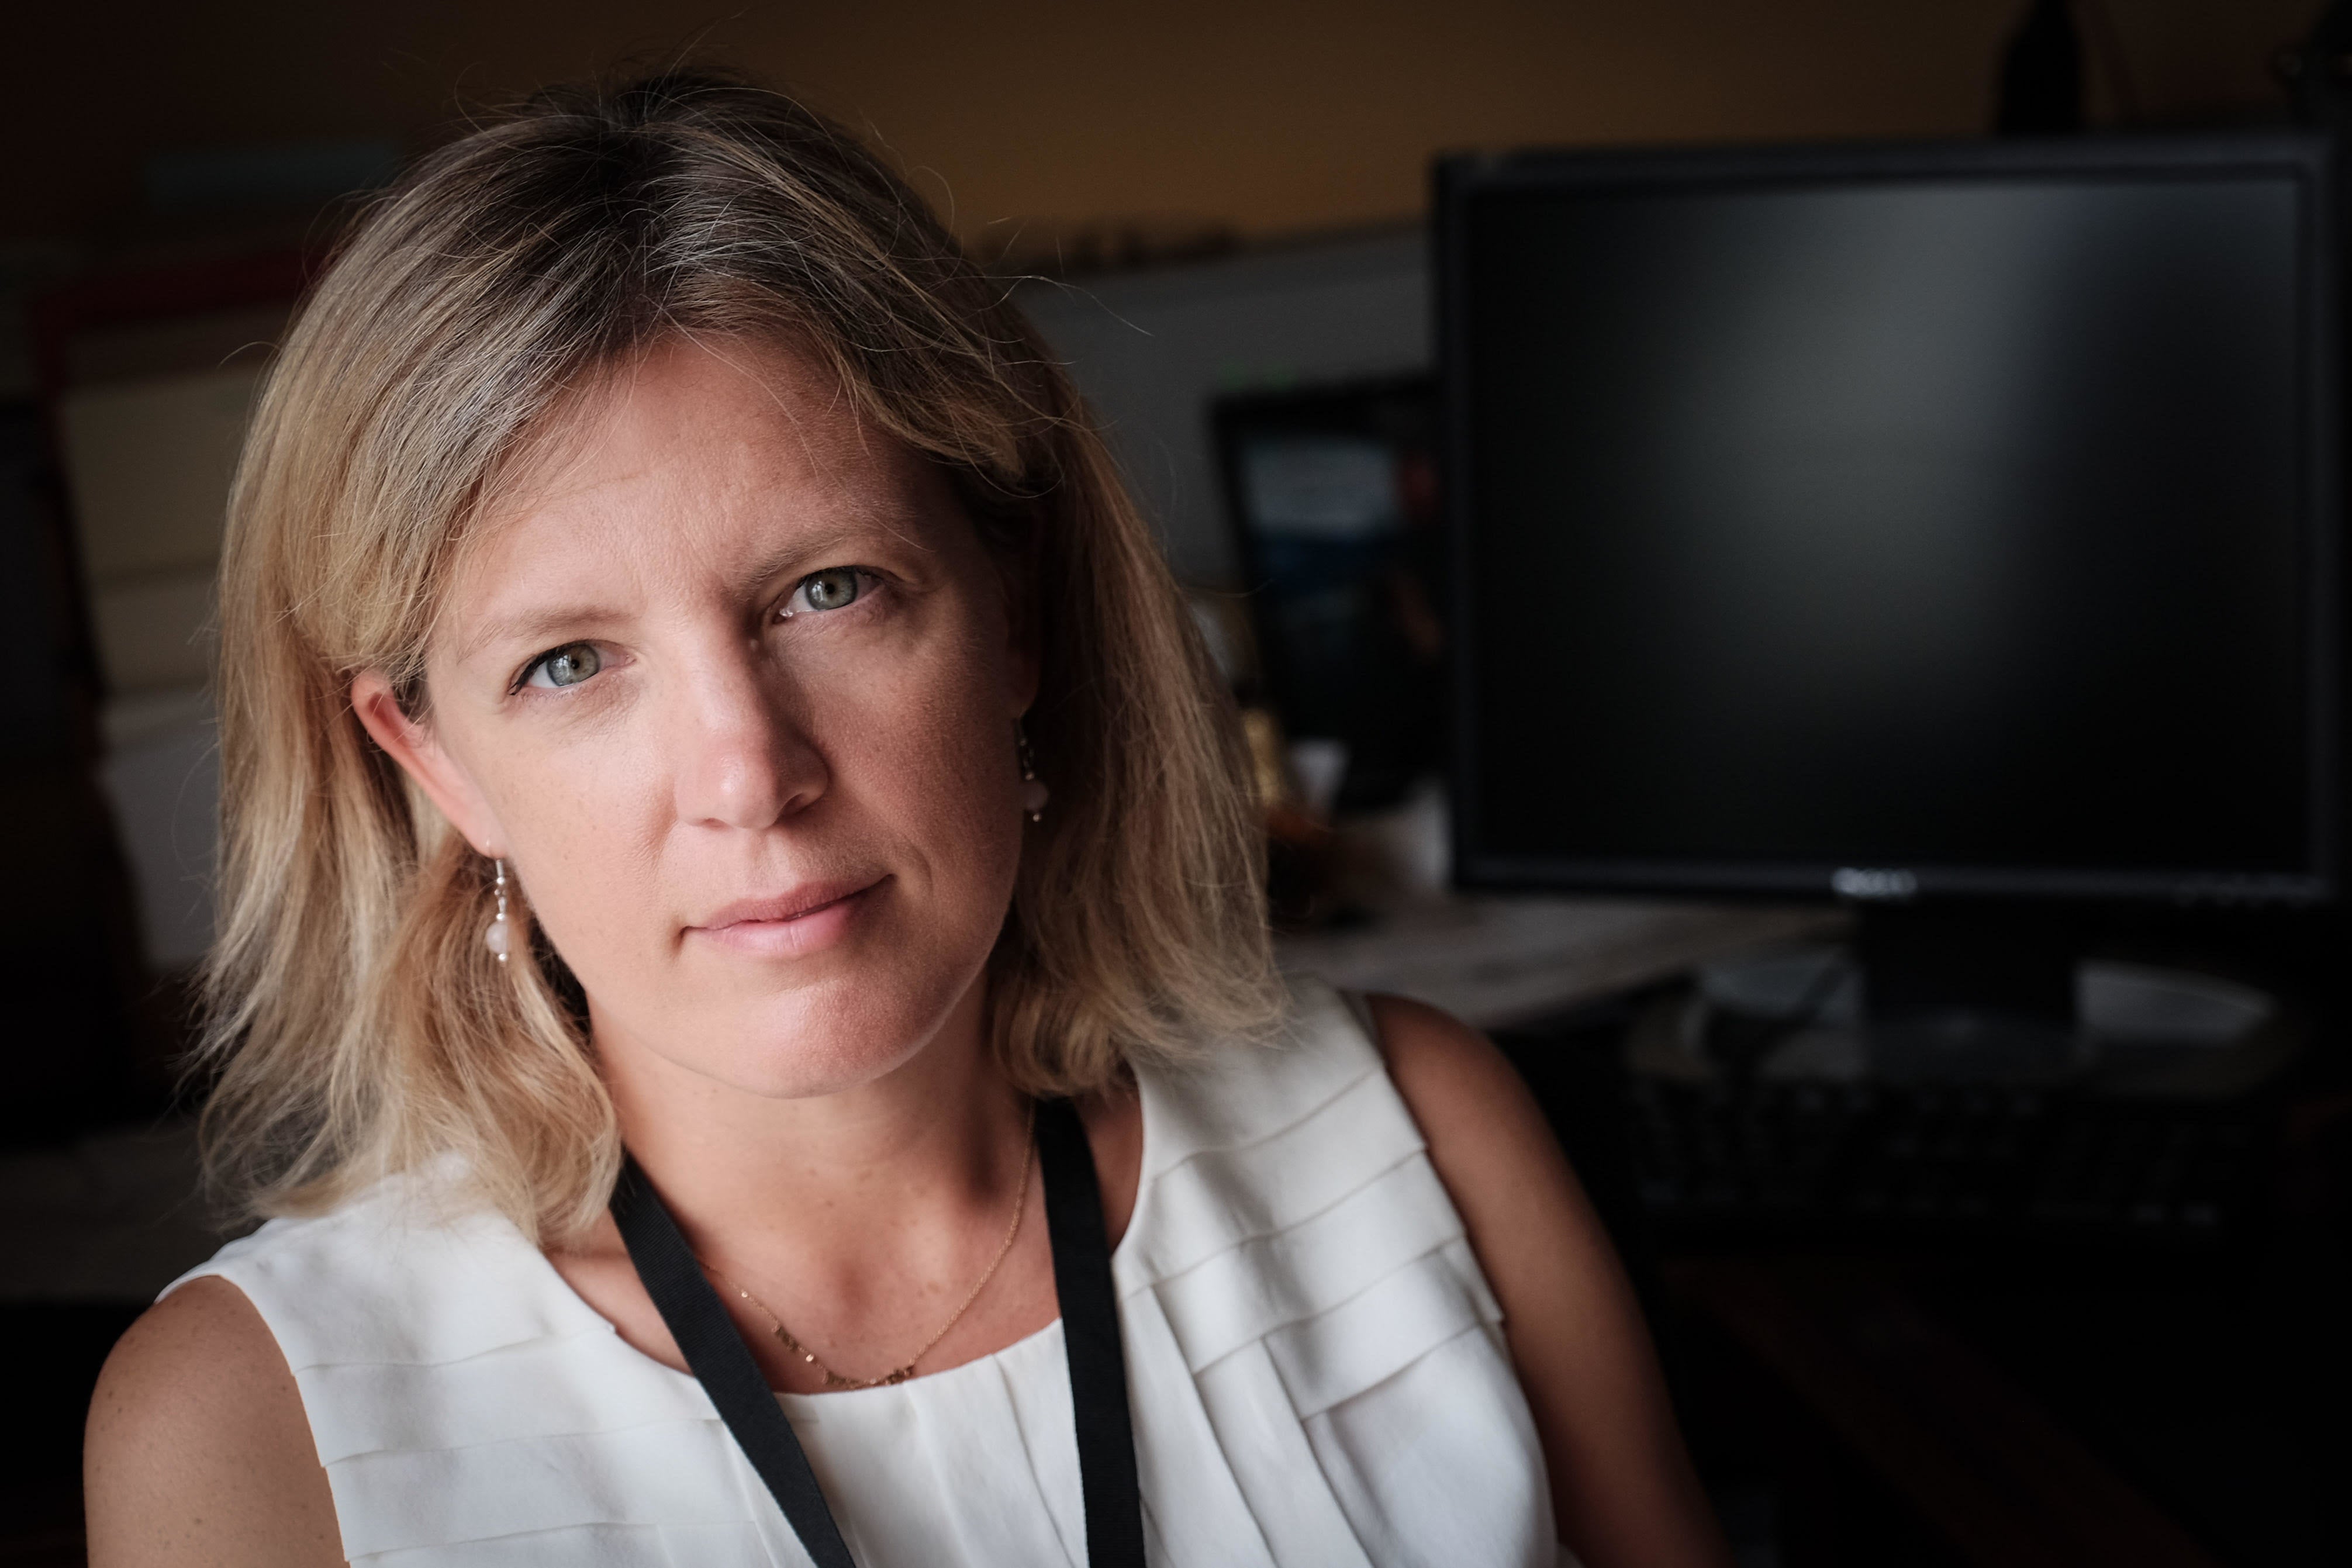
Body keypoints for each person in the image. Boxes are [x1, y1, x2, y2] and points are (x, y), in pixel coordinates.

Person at [83, 72, 1729, 1568]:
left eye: (828, 589)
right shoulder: (245, 1432)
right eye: (570, 663)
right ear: (435, 762)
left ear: (1015, 613)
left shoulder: (1422, 1139)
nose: (750, 776)